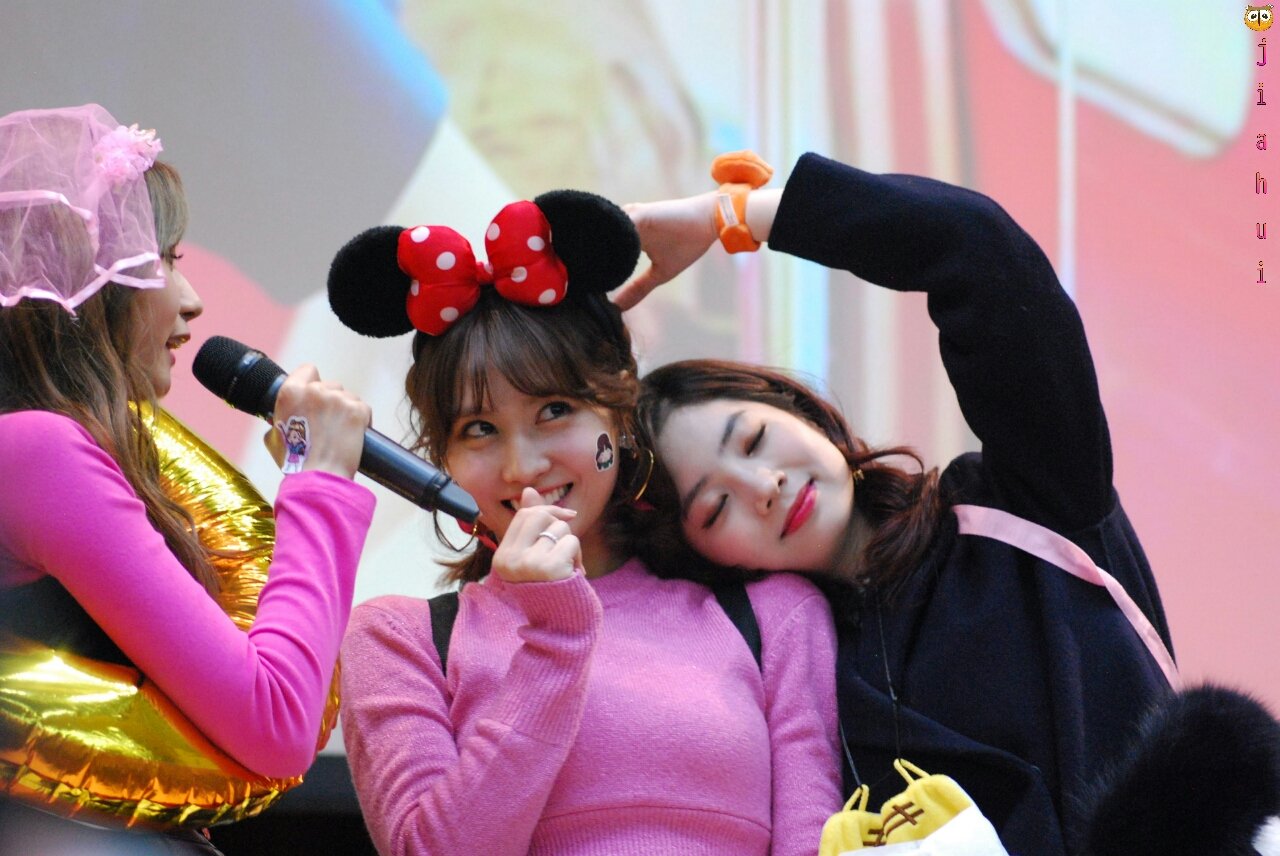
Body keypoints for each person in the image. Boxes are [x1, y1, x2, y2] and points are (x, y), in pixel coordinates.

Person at [620, 152, 1178, 856]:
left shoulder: (1024, 503)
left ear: (800, 412)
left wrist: (730, 217)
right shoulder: (799, 693)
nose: (763, 487)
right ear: (700, 556)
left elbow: (978, 253)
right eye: (713, 508)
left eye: (755, 439)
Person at [328, 190, 840, 855]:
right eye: (478, 429)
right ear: (443, 457)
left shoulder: (775, 618)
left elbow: (816, 841)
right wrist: (557, 636)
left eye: (554, 411)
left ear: (618, 412)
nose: (522, 465)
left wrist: (738, 212)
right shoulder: (401, 638)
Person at [0, 104, 375, 854]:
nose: (192, 299)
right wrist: (320, 482)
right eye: (165, 260)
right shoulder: (36, 451)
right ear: (90, 286)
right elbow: (277, 722)